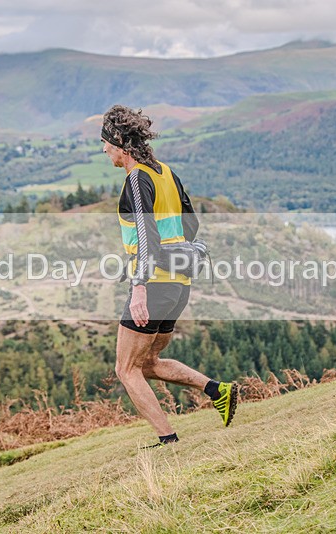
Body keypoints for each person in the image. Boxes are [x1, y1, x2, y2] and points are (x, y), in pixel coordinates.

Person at [101, 104, 238, 448]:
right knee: (147, 362)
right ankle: (216, 391)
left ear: (120, 143)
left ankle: (168, 440)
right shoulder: (165, 172)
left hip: (154, 285)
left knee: (125, 368)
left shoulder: (136, 178)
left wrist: (139, 288)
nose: (104, 150)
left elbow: (147, 235)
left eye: (106, 142)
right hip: (179, 284)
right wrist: (175, 255)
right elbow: (191, 225)